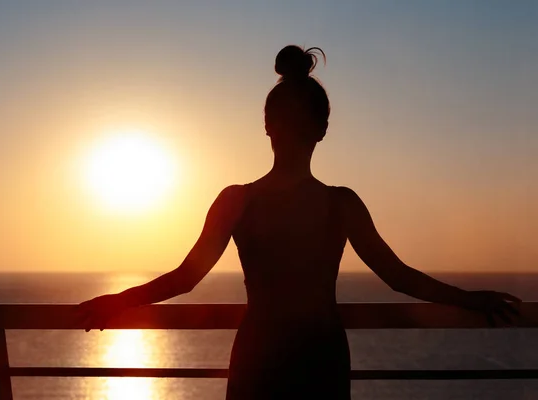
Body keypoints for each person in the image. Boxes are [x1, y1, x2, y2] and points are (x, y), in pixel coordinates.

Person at [77, 45, 521, 399]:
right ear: (323, 129)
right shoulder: (340, 204)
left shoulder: (237, 201)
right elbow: (399, 278)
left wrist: (117, 302)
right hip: (321, 358)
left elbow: (185, 279)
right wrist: (471, 300)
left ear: (267, 125)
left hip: (259, 357)